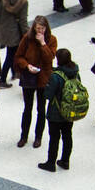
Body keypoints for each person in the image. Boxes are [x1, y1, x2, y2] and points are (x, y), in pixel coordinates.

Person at [38, 47, 84, 172]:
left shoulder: (56, 76)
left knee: (54, 138)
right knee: (67, 135)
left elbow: (48, 95)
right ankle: (65, 161)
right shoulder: (75, 73)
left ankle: (51, 163)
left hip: (55, 112)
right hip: (70, 111)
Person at [15, 15, 57, 148]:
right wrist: (27, 66)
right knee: (27, 108)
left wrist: (43, 43)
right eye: (38, 28)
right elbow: (19, 56)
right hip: (29, 76)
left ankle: (38, 136)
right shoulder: (27, 38)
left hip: (43, 78)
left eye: (42, 28)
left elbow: (49, 57)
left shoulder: (51, 39)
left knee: (41, 108)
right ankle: (24, 136)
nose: (40, 31)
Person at [0, 0, 28, 86]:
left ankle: (14, 73)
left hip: (5, 30)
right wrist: (26, 33)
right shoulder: (23, 2)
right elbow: (23, 20)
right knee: (11, 55)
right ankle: (3, 79)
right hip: (16, 32)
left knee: (12, 53)